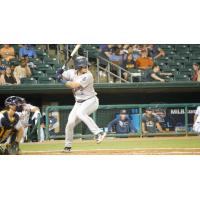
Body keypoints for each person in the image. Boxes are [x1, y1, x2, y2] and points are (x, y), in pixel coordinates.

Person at [61, 56, 106, 152]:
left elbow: (73, 85)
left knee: (81, 113)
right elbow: (63, 75)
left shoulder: (88, 76)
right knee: (70, 123)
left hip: (91, 100)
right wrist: (59, 73)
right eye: (83, 66)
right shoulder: (71, 72)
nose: (86, 68)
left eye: (86, 66)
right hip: (78, 103)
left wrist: (60, 80)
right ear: (77, 67)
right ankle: (68, 146)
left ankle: (99, 133)